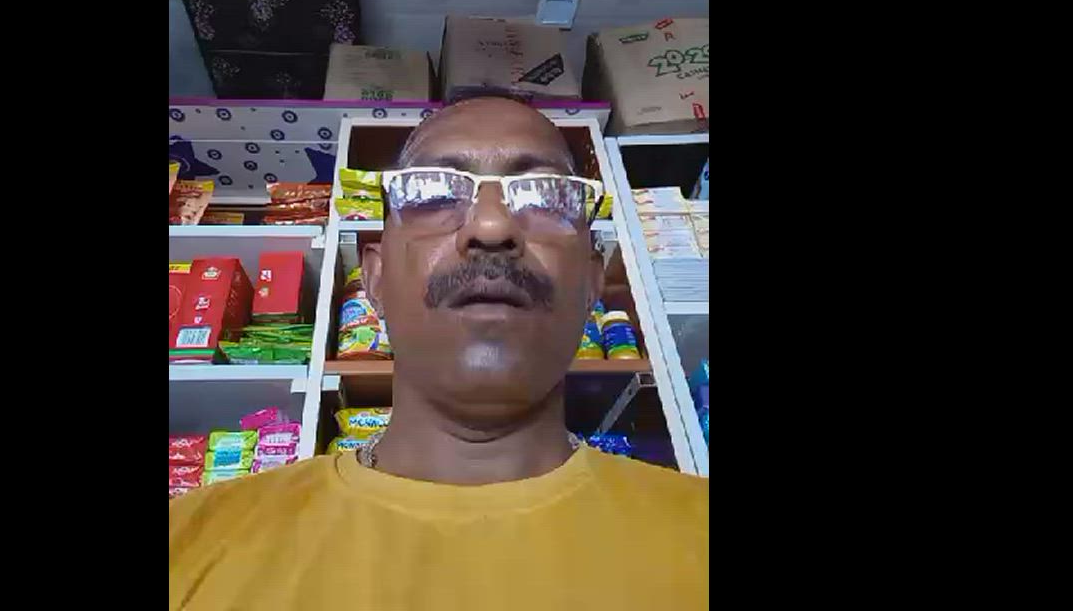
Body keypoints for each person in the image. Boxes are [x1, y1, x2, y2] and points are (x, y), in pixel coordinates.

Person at [169, 97, 708, 610]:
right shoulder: (193, 542)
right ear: (374, 277)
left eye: (545, 196)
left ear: (592, 282)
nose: (491, 227)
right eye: (433, 192)